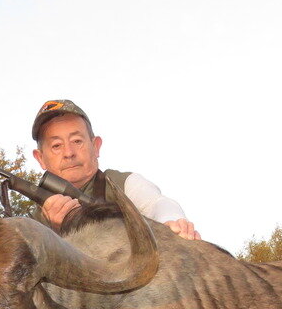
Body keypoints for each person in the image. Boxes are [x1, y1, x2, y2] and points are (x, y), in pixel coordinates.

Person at [30, 99, 201, 240]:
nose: (68, 153)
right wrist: (54, 232)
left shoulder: (123, 183)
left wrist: (171, 222)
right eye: (56, 145)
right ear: (40, 158)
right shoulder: (35, 222)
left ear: (96, 146)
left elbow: (156, 203)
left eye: (77, 141)